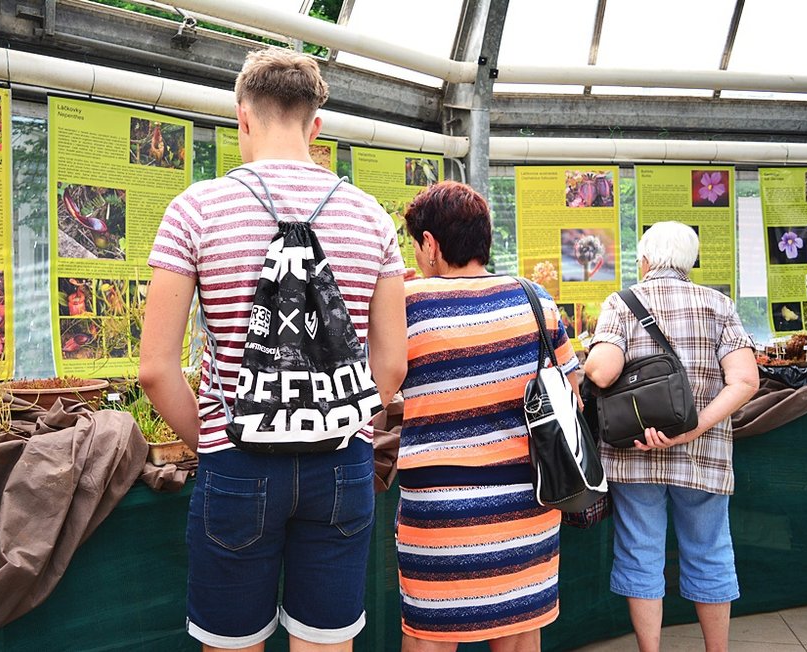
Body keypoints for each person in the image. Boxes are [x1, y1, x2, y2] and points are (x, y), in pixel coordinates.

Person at [139, 47, 408, 652]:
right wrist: (331, 417)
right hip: (342, 459)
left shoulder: (195, 211)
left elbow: (155, 369)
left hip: (237, 462)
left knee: (231, 643)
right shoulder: (370, 219)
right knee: (326, 640)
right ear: (317, 127)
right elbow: (390, 367)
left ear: (242, 118)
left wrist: (212, 437)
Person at [397, 181, 580, 652]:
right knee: (520, 637)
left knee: (429, 637)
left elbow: (378, 389)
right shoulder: (535, 298)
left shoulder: (407, 307)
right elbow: (571, 394)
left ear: (431, 244)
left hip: (438, 518)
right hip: (527, 508)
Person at [583, 221, 759, 652]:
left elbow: (602, 372)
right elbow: (746, 381)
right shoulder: (719, 304)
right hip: (705, 455)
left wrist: (593, 352)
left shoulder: (622, 303)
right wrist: (692, 430)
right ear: (689, 260)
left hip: (634, 452)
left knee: (641, 552)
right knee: (710, 550)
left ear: (645, 259)